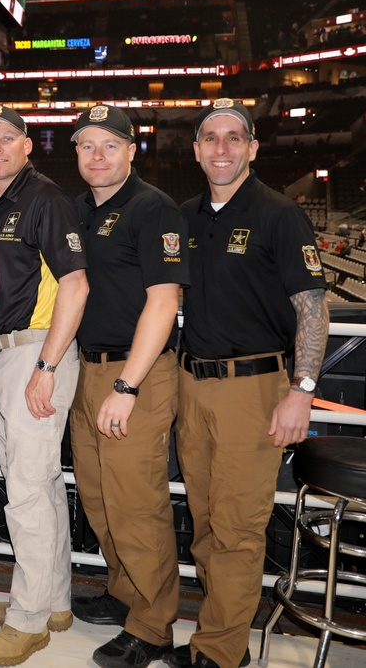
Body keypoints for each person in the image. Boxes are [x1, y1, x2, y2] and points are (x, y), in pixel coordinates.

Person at [165, 99, 327, 668]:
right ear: (197, 150)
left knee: (236, 525)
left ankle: (220, 651)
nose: (222, 148)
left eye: (234, 138)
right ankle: (218, 629)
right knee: (206, 521)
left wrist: (302, 389)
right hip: (193, 384)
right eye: (211, 137)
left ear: (253, 148)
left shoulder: (280, 214)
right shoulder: (185, 215)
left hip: (253, 387)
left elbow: (312, 308)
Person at [67, 104, 189, 668]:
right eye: (87, 146)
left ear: (131, 151)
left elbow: (164, 303)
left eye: (109, 145)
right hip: (88, 370)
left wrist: (128, 385)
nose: (97, 156)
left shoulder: (151, 208)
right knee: (99, 498)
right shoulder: (82, 210)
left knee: (137, 505)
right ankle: (125, 594)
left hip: (133, 374)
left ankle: (153, 625)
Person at [0, 105, 89, 666]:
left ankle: (29, 617)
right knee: (38, 484)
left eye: (7, 138)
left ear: (27, 145)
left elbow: (75, 284)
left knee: (25, 488)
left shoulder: (44, 198)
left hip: (36, 353)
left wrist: (46, 366)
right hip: (6, 354)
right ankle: (55, 600)